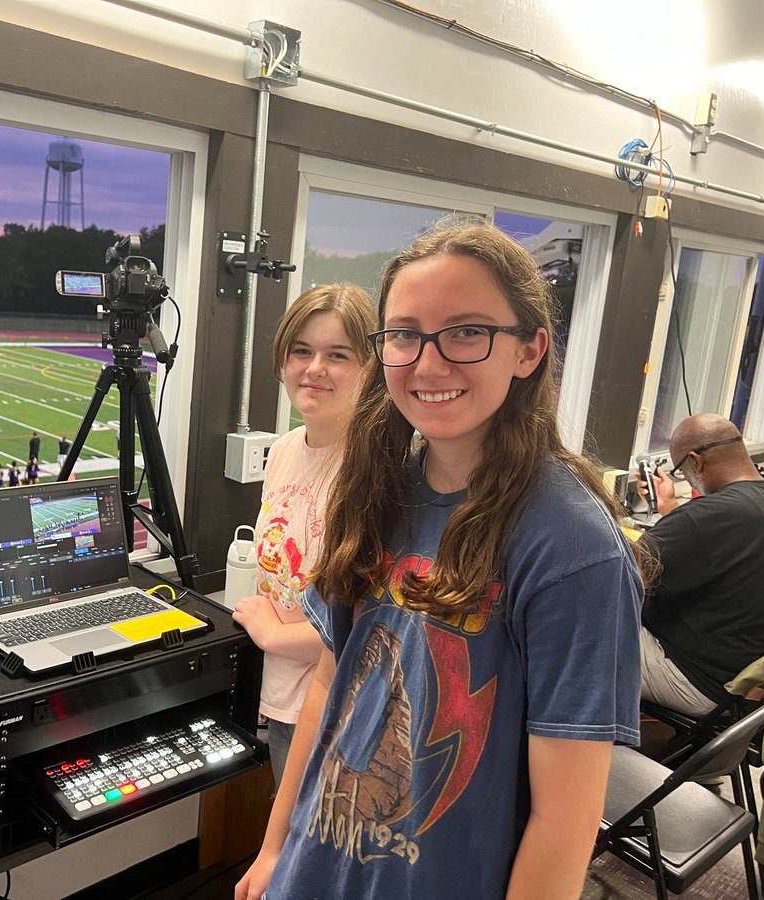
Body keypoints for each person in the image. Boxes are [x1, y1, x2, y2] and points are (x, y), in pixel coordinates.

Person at [237, 220, 644, 900]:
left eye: (466, 332)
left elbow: (564, 823)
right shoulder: (375, 491)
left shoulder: (572, 548)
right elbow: (329, 688)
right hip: (318, 867)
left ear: (529, 350)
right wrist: (277, 845)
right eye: (404, 334)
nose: (427, 364)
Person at [231, 283, 376, 789]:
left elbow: (371, 626)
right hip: (282, 695)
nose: (314, 368)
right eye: (302, 351)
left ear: (370, 368)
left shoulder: (377, 472)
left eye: (338, 355)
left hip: (340, 711)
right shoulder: (285, 449)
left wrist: (273, 635)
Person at [635, 413, 764, 716]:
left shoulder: (705, 517)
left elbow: (619, 574)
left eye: (681, 471)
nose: (684, 478)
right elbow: (713, 545)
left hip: (703, 684)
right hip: (760, 686)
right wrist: (670, 508)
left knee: (576, 629)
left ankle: (577, 739)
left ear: (695, 461)